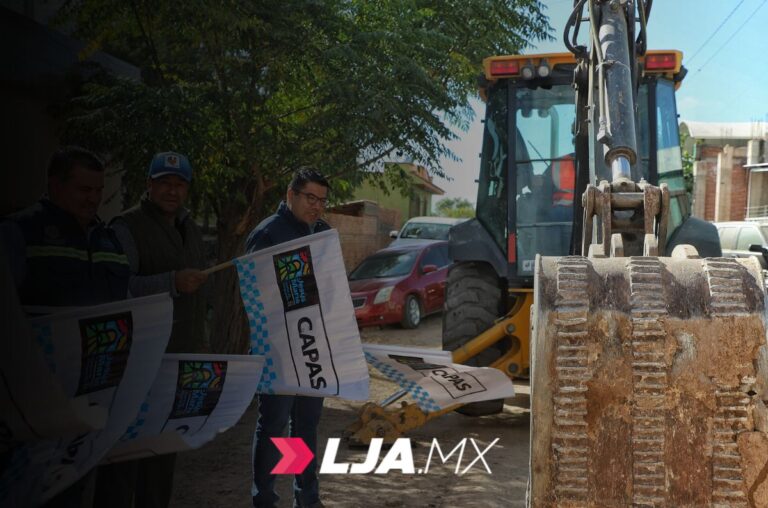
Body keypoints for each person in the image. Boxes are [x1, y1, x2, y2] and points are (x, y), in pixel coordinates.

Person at [0, 146, 130, 507]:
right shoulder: (20, 232)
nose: (93, 199)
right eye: (83, 190)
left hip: (92, 393)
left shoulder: (108, 239)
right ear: (55, 185)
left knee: (73, 490)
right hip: (36, 399)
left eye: (98, 190)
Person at [94, 151, 210, 508]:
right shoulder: (125, 227)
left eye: (179, 185)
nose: (172, 191)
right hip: (136, 362)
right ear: (149, 185)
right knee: (123, 457)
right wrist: (171, 282)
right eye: (164, 183)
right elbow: (117, 288)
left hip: (178, 357)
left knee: (163, 454)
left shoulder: (189, 226)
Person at [246, 167, 330, 508]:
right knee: (275, 425)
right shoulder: (267, 234)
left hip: (313, 350)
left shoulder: (323, 233)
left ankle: (305, 499)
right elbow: (254, 295)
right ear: (290, 195)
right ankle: (264, 499)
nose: (317, 207)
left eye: (322, 201)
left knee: (303, 427)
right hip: (277, 350)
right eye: (310, 198)